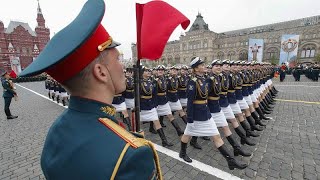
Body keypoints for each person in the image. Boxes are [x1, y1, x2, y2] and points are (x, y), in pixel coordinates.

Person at [19, 0, 162, 179]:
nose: (123, 68)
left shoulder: (56, 131)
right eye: (117, 60)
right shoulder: (130, 155)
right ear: (101, 72)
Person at [179, 57, 247, 170]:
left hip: (206, 112)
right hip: (197, 115)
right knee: (187, 134)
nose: (204, 66)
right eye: (201, 65)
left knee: (216, 136)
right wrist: (189, 119)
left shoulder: (204, 79)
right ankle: (182, 152)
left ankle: (230, 160)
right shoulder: (192, 82)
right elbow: (190, 102)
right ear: (196, 69)